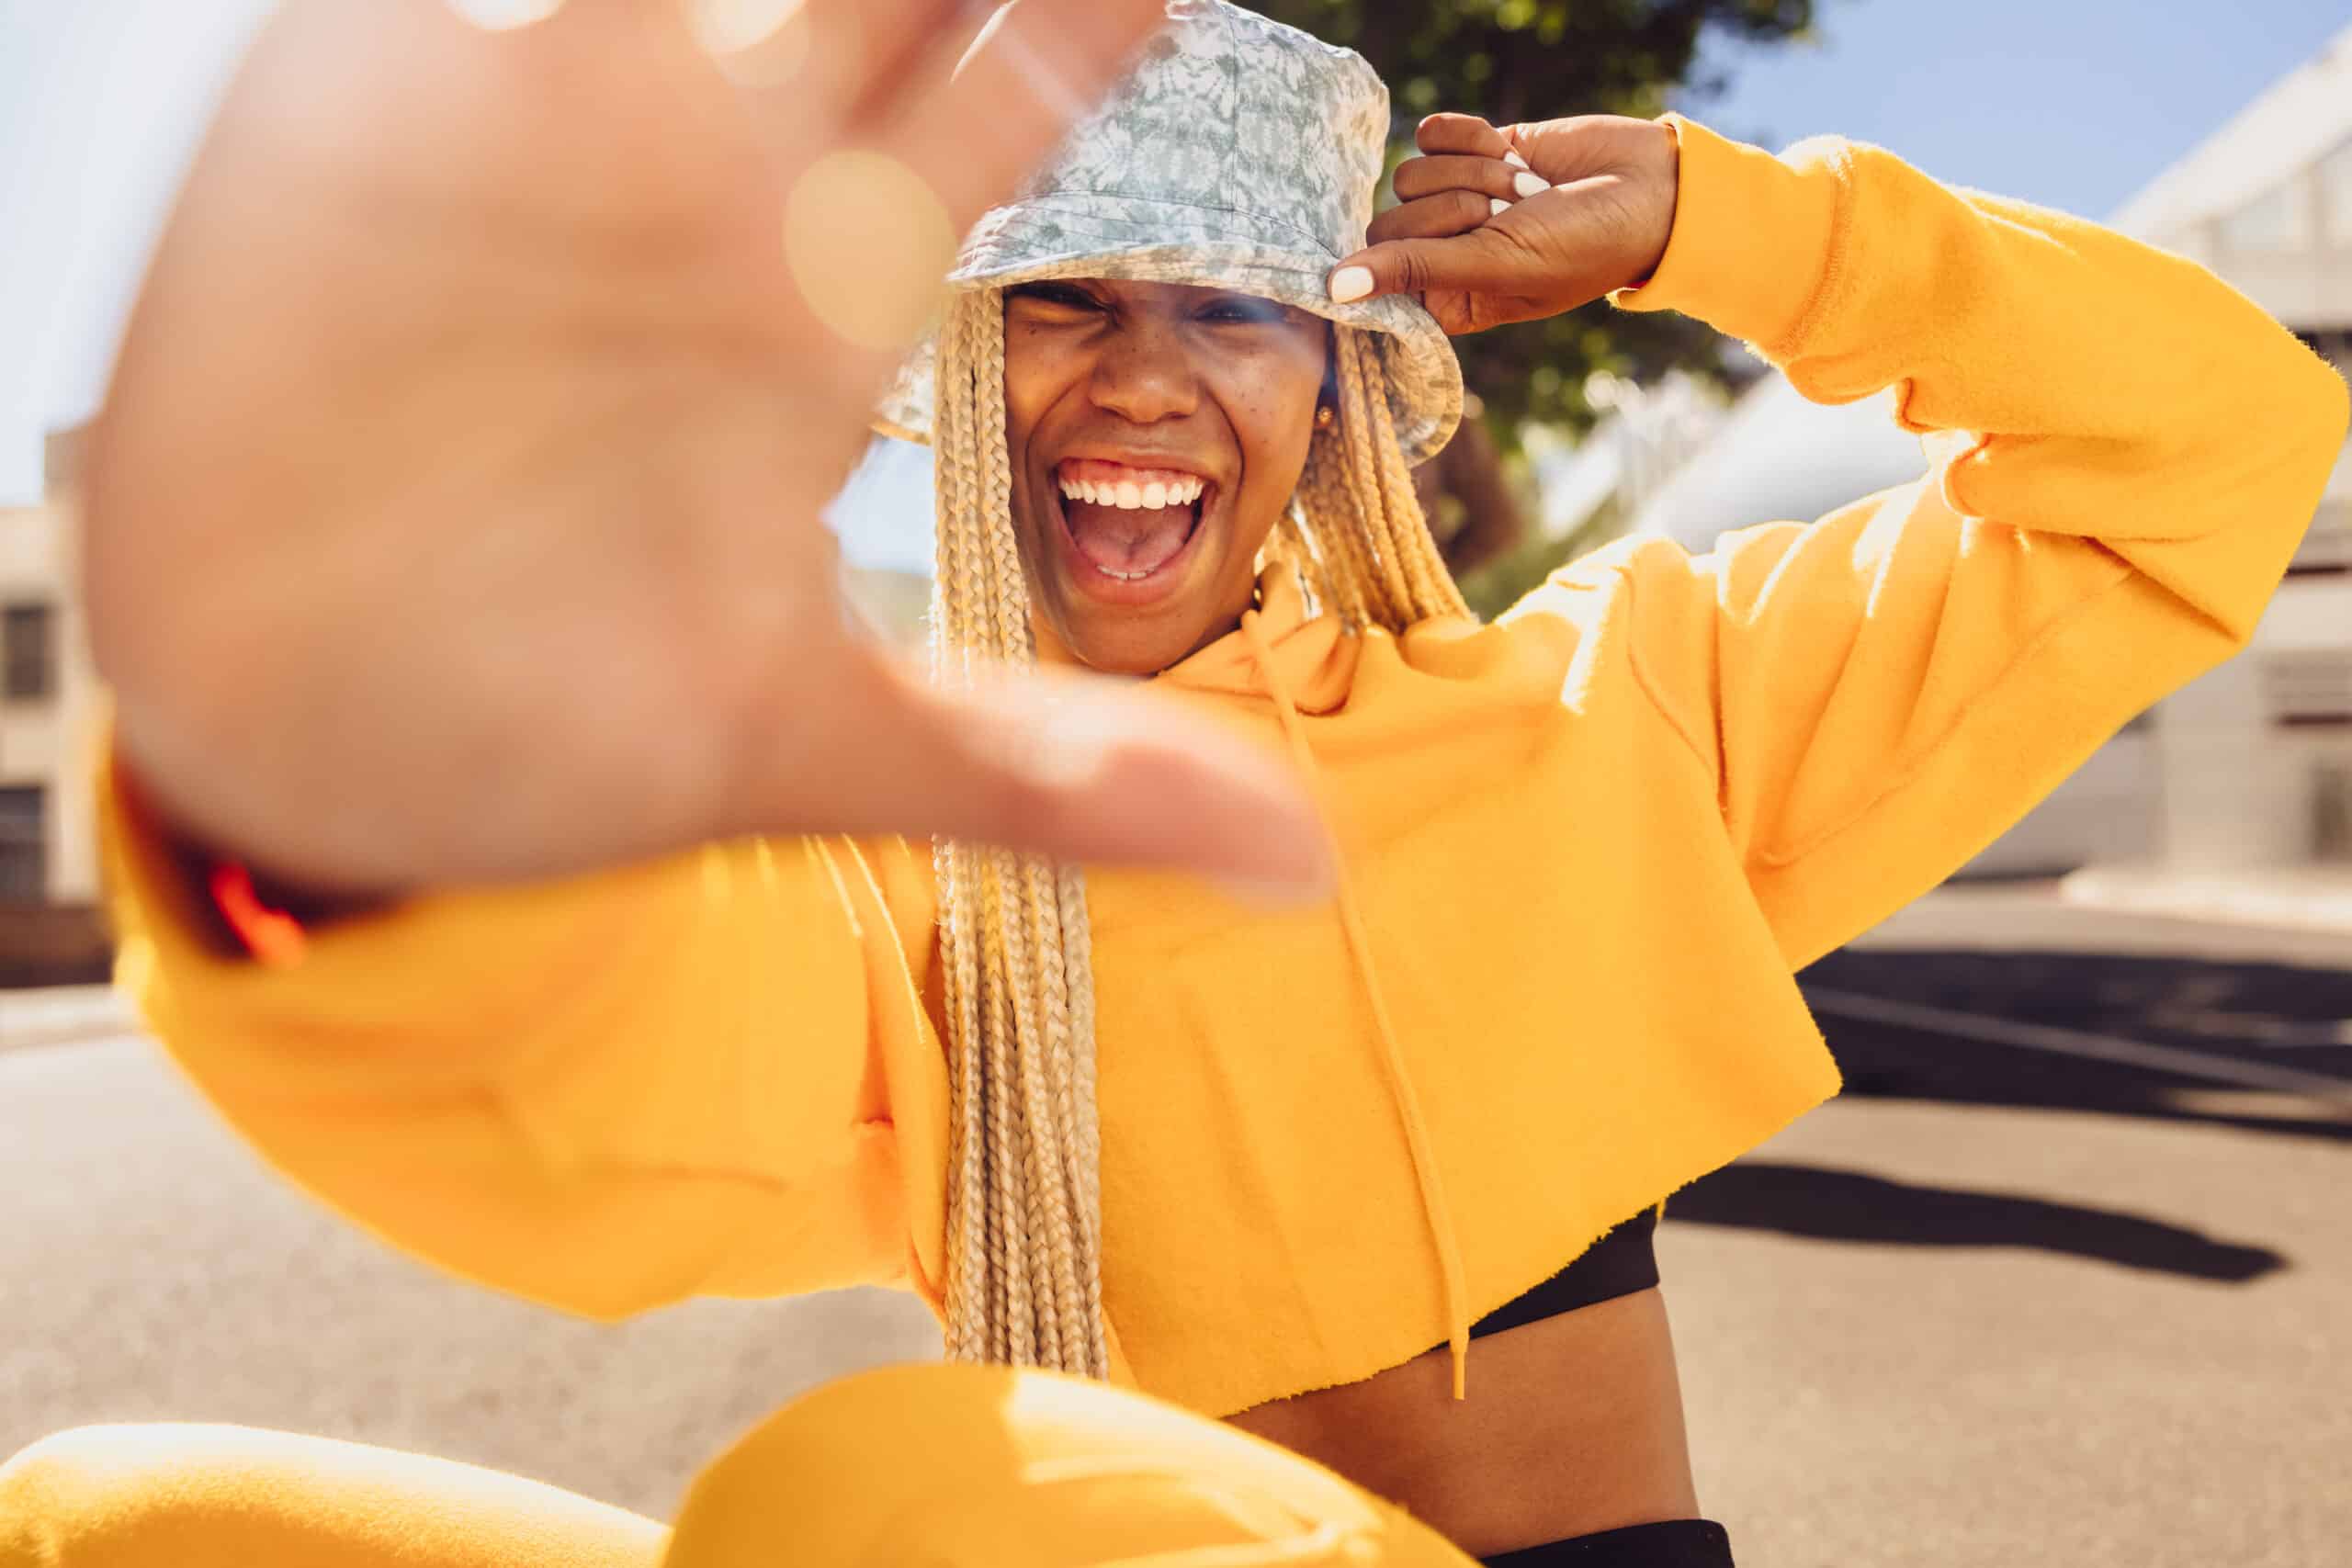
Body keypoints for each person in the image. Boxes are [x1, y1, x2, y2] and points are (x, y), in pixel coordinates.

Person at [6, 0, 2346, 1564]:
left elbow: (2220, 450)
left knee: (882, 1483)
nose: (1137, 378)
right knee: (117, 1510)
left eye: (1224, 307)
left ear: (1333, 388)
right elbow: (584, 1080)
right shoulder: (894, 859)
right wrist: (348, 786)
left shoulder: (1626, 703)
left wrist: (1729, 219)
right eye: (1063, 297)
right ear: (956, 363)